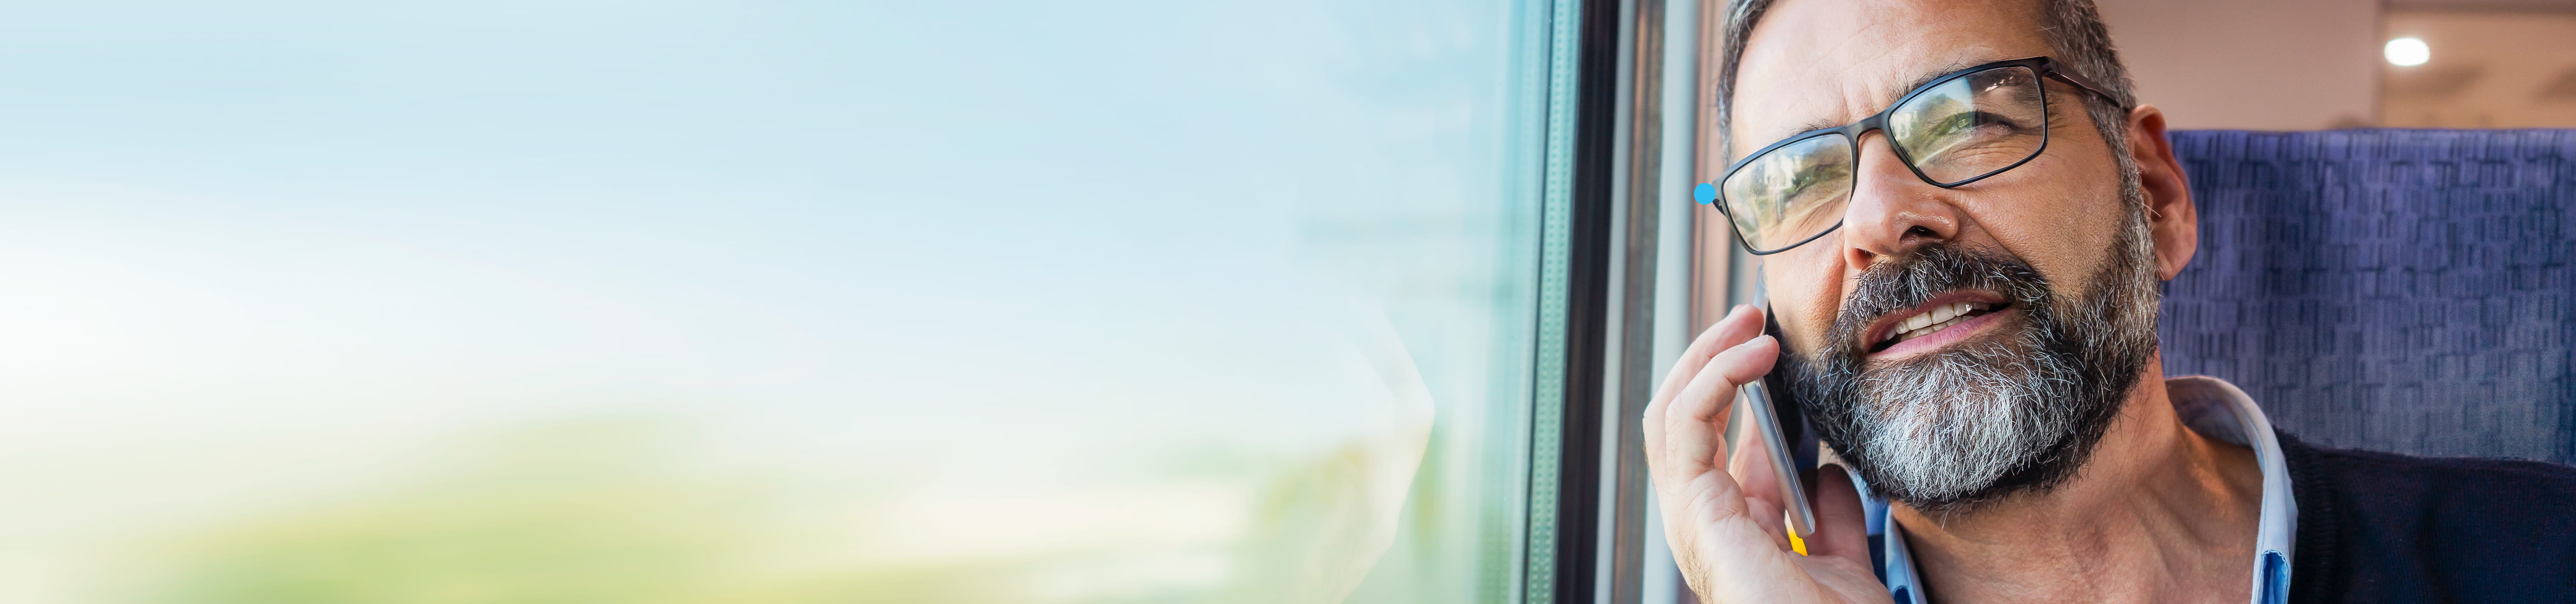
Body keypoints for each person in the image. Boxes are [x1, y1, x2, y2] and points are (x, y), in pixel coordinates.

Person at [1638, 0, 2576, 602]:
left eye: (1968, 118)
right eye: (1799, 182)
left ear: (2156, 199)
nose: (1880, 220)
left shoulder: (2545, 551)